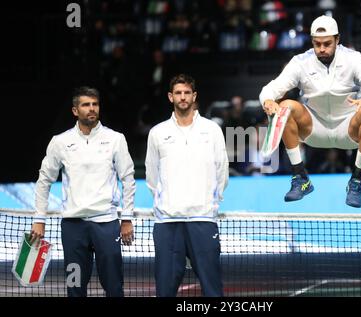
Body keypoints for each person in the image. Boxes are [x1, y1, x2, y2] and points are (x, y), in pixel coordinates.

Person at [259, 15, 361, 208]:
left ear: (337, 39)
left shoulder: (353, 59)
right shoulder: (300, 62)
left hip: (348, 128)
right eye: (317, 44)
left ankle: (356, 180)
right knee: (285, 105)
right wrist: (268, 101)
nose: (321, 49)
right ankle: (300, 178)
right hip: (314, 128)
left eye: (327, 43)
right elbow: (269, 89)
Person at [30, 87, 136, 297]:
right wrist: (39, 219)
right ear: (75, 110)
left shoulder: (116, 139)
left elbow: (128, 179)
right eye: (86, 105)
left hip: (106, 225)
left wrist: (127, 218)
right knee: (75, 285)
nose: (91, 109)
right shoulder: (60, 142)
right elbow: (44, 181)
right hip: (73, 228)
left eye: (95, 104)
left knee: (114, 286)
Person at [145, 74, 229, 297]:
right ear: (170, 97)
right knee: (165, 290)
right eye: (178, 93)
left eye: (187, 93)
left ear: (194, 96)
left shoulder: (212, 130)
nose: (183, 97)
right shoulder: (157, 133)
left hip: (202, 219)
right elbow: (152, 176)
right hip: (168, 222)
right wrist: (167, 202)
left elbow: (222, 170)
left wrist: (209, 203)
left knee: (212, 289)